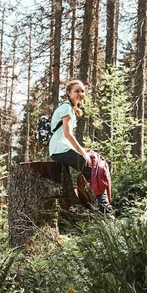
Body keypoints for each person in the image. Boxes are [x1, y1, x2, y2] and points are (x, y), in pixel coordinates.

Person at [49, 79, 112, 214]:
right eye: (77, 91)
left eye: (82, 91)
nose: (80, 93)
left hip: (62, 148)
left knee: (96, 165)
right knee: (95, 170)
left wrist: (84, 151)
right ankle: (106, 213)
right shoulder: (66, 107)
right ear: (68, 93)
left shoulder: (71, 109)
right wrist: (82, 152)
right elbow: (67, 134)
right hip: (60, 149)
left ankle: (100, 208)